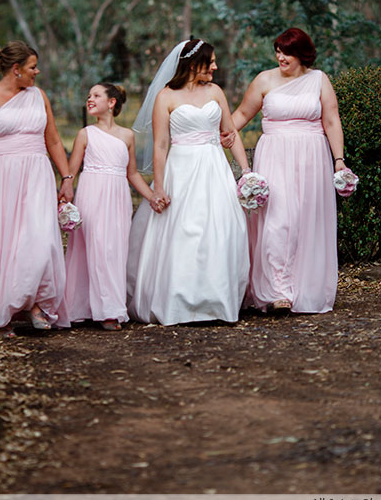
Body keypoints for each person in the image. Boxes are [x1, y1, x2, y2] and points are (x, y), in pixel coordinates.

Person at [127, 39, 250, 325]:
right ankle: (180, 301)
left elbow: (231, 133)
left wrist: (246, 173)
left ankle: (217, 302)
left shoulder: (216, 92)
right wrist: (158, 187)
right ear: (194, 65)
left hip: (214, 167)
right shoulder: (166, 97)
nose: (216, 67)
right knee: (185, 231)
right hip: (181, 170)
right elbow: (160, 146)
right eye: (212, 62)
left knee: (220, 229)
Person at [0, 41, 72, 336]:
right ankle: (2, 311)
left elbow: (54, 140)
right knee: (3, 242)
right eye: (33, 67)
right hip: (0, 177)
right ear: (16, 69)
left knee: (40, 239)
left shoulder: (39, 96)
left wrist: (67, 177)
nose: (38, 71)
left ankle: (33, 302)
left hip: (36, 174)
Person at [231, 27, 344, 315]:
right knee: (277, 222)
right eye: (279, 51)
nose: (281, 57)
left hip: (312, 159)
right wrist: (214, 134)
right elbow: (242, 115)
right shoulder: (264, 80)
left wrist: (339, 160)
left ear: (302, 55)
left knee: (306, 222)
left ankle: (303, 288)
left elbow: (331, 121)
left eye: (288, 53)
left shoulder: (319, 80)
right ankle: (277, 291)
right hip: (275, 156)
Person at [63, 83, 166, 331]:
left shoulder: (127, 136)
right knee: (94, 247)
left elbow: (132, 174)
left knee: (114, 249)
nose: (89, 99)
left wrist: (152, 196)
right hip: (92, 194)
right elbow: (71, 171)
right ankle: (100, 310)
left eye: (96, 95)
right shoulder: (85, 134)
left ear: (111, 102)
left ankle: (107, 304)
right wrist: (66, 190)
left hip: (117, 197)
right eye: (88, 95)